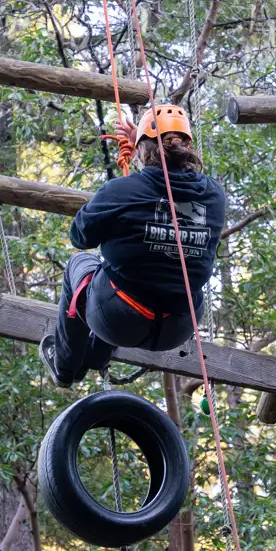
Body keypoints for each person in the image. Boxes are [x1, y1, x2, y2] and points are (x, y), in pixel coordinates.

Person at [39, 104, 227, 388]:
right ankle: (95, 356)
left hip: (119, 320)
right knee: (126, 277)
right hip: (179, 326)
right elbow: (178, 185)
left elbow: (80, 237)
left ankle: (65, 367)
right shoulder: (214, 195)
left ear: (142, 149)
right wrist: (143, 146)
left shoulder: (123, 190)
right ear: (187, 146)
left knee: (83, 265)